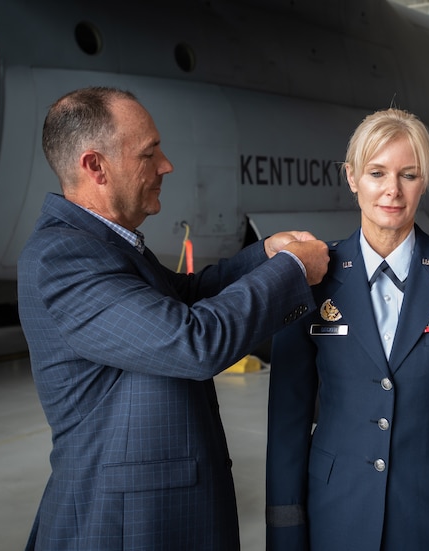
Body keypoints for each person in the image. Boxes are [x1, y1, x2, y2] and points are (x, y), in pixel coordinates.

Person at [17, 86, 329, 550]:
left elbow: (182, 295)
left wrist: (265, 254)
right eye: (149, 153)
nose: (166, 165)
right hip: (125, 527)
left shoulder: (106, 244)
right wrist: (293, 270)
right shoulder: (63, 259)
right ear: (95, 166)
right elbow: (193, 341)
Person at [265, 108, 429, 550]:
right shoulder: (310, 278)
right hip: (337, 513)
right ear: (351, 177)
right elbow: (287, 420)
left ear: (425, 180)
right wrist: (286, 534)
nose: (392, 190)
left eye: (409, 174)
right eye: (376, 172)